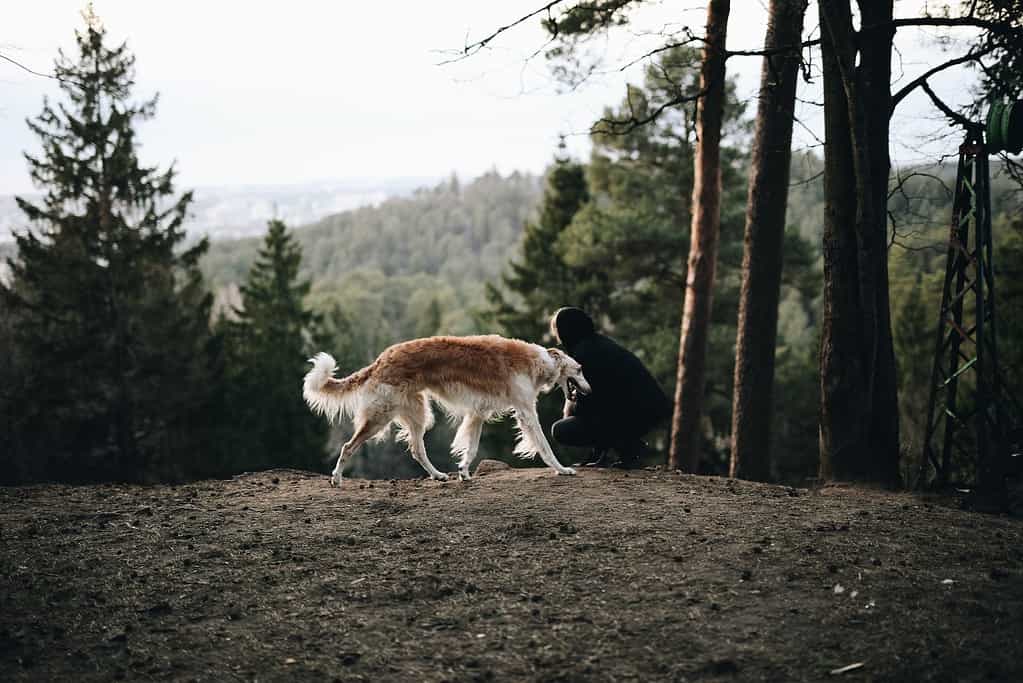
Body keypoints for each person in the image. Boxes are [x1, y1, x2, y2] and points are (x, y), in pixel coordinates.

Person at [548, 307, 673, 468]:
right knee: (597, 415)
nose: (557, 336)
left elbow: (592, 405)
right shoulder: (598, 344)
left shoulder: (584, 355)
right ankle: (622, 449)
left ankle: (629, 448)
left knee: (561, 430)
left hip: (636, 412)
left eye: (557, 330)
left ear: (565, 331)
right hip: (650, 410)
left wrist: (571, 408)